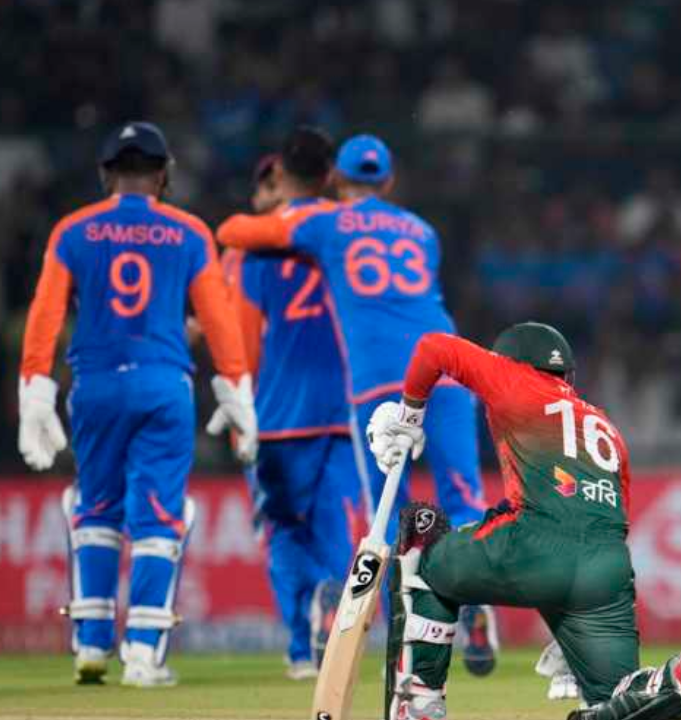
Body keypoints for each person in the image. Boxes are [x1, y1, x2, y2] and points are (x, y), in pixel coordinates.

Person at [214, 134, 497, 674]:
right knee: (463, 498)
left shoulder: (325, 223)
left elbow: (235, 231)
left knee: (386, 516)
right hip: (452, 368)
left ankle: (404, 640)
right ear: (389, 182)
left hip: (379, 386)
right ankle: (475, 606)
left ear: (337, 183)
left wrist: (292, 214)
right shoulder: (422, 230)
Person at [366, 322, 681, 720]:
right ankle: (675, 680)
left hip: (535, 543)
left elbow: (433, 347)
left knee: (421, 541)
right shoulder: (605, 427)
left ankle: (419, 704)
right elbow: (615, 516)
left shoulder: (515, 376)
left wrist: (409, 415)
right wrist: (567, 625)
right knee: (612, 705)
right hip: (606, 573)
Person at [18, 121, 257, 687]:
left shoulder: (73, 231)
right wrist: (235, 386)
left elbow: (46, 313)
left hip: (95, 386)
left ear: (106, 175)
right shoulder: (190, 232)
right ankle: (144, 655)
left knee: (96, 509)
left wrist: (35, 387)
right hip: (162, 386)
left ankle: (91, 645)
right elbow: (219, 321)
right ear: (164, 174)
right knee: (160, 517)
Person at [222, 129, 363, 680]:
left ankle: (302, 649)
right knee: (336, 529)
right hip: (345, 410)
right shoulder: (349, 234)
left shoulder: (253, 252)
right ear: (330, 174)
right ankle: (337, 643)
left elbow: (244, 336)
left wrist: (241, 407)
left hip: (278, 415)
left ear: (281, 177)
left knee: (285, 531)